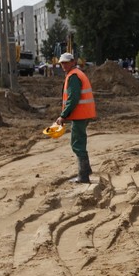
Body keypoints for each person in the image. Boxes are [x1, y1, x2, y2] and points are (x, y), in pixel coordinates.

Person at [52, 52, 97, 184]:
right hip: (83, 114)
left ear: (73, 62)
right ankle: (86, 171)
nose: (63, 65)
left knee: (77, 144)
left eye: (66, 62)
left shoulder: (73, 76)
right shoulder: (76, 74)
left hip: (80, 115)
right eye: (62, 63)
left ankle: (83, 176)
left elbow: (73, 99)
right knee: (79, 142)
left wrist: (63, 116)